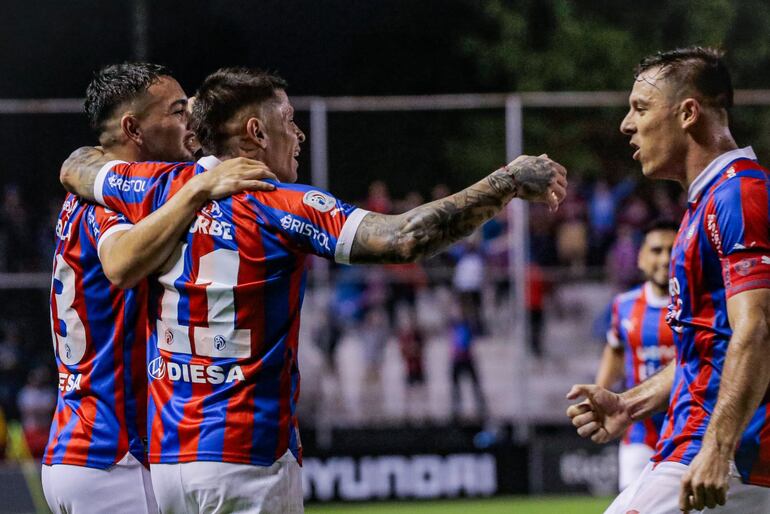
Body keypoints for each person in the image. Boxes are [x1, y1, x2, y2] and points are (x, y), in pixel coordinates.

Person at [61, 67, 567, 513]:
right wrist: (506, 182)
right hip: (247, 457)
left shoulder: (154, 188)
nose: (299, 135)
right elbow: (403, 238)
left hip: (172, 462)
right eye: (290, 122)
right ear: (256, 133)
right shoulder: (280, 202)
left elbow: (78, 166)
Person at [45, 63, 274, 514]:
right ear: (133, 128)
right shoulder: (105, 200)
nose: (191, 122)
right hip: (112, 455)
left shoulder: (109, 190)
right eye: (176, 111)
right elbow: (119, 263)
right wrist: (200, 190)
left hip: (84, 446)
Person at [567, 47, 770, 513]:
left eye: (640, 108)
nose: (626, 124)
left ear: (688, 113)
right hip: (705, 449)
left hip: (722, 453)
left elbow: (757, 329)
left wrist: (717, 449)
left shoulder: (739, 195)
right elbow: (711, 348)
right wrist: (630, 404)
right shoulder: (710, 203)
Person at [594, 219, 677, 491]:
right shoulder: (624, 305)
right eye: (656, 250)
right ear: (641, 257)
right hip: (639, 432)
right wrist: (599, 392)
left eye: (672, 250)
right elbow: (615, 350)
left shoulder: (697, 307)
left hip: (686, 429)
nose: (665, 259)